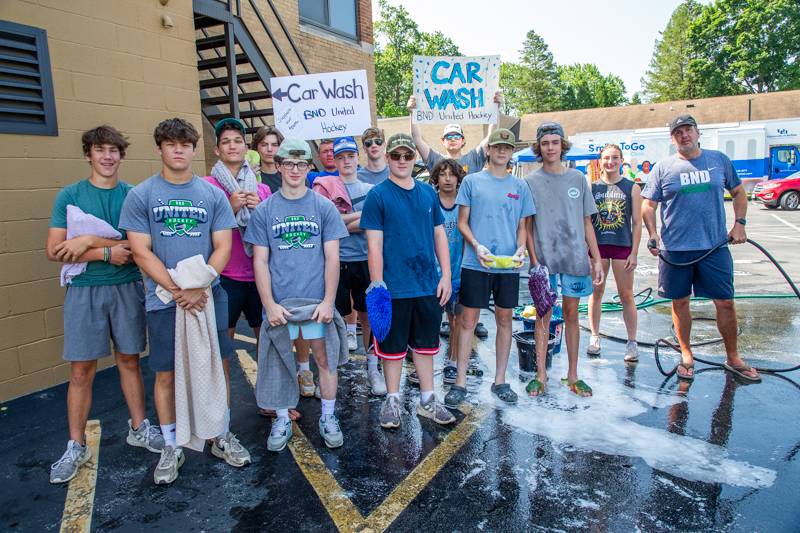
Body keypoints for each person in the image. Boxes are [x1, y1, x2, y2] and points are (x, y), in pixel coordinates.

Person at [120, 118, 251, 485]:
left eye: (185, 144)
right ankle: (171, 442)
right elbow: (141, 251)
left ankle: (219, 433)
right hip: (165, 299)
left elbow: (223, 245)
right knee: (165, 373)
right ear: (160, 148)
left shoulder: (210, 195)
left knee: (217, 364)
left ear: (194, 149)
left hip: (208, 295)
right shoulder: (142, 195)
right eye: (170, 144)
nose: (178, 150)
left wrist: (201, 285)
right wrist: (178, 290)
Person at [46, 125, 163, 484]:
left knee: (129, 360)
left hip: (127, 288)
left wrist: (86, 242)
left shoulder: (133, 195)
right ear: (89, 155)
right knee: (81, 370)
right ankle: (76, 444)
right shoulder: (70, 195)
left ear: (121, 155)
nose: (107, 156)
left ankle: (139, 427)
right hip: (84, 291)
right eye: (100, 150)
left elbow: (134, 250)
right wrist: (105, 249)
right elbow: (55, 251)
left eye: (114, 150)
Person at [244, 138, 349, 451]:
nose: (294, 169)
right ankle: (280, 416)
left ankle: (328, 416)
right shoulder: (264, 211)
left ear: (308, 167)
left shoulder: (323, 207)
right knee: (278, 362)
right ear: (278, 166)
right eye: (288, 163)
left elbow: (332, 257)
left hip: (315, 303)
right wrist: (269, 304)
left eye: (301, 163)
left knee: (324, 359)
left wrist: (329, 301)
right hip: (281, 305)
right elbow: (260, 260)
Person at [641, 115, 760, 382]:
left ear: (698, 133)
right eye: (678, 132)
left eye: (688, 130)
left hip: (714, 247)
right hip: (675, 250)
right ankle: (686, 354)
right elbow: (648, 204)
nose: (684, 136)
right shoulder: (663, 168)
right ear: (672, 139)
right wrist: (652, 233)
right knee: (680, 301)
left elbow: (739, 192)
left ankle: (733, 357)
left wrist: (739, 224)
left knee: (725, 303)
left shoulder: (718, 161)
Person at [360, 133, 456, 429]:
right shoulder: (378, 196)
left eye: (407, 156)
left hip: (427, 284)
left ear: (415, 158)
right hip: (393, 288)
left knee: (425, 346)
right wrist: (377, 286)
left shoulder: (428, 194)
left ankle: (428, 400)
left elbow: (439, 235)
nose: (402, 161)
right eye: (396, 156)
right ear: (387, 158)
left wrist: (446, 276)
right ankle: (392, 399)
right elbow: (374, 244)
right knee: (391, 349)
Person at [446, 129, 535, 407]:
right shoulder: (472, 182)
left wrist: (521, 249)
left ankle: (500, 381)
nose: (501, 151)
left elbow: (523, 226)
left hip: (507, 266)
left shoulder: (520, 187)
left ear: (511, 152)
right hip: (476, 263)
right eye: (497, 146)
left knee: (505, 320)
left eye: (506, 148)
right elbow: (462, 222)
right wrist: (476, 245)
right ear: (488, 150)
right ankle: (460, 382)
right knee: (467, 322)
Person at [524, 122, 604, 397]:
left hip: (575, 260)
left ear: (562, 146)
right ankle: (541, 374)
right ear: (539, 147)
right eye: (545, 143)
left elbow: (587, 224)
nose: (550, 148)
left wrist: (596, 259)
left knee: (571, 315)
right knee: (543, 316)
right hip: (545, 262)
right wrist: (534, 260)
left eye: (554, 143)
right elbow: (528, 226)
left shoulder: (578, 179)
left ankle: (573, 375)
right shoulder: (530, 182)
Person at [313, 137, 387, 395]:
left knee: (369, 316)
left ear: (358, 158)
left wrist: (341, 220)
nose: (346, 161)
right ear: (335, 159)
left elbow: (372, 223)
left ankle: (372, 368)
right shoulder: (325, 188)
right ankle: (330, 370)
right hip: (336, 261)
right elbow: (324, 224)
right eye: (340, 157)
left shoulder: (370, 189)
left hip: (366, 260)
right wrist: (356, 217)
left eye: (350, 156)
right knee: (332, 317)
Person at [205, 118, 271, 353]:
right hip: (225, 276)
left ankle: (265, 389)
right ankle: (223, 391)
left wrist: (259, 208)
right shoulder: (207, 186)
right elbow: (203, 232)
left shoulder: (262, 189)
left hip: (259, 273)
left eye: (237, 141)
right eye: (225, 142)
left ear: (246, 148)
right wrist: (230, 209)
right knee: (222, 345)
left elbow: (272, 232)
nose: (232, 146)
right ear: (217, 150)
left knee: (266, 341)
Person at [586, 143, 643, 362]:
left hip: (622, 246)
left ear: (621, 161)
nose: (610, 162)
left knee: (626, 294)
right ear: (600, 161)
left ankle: (631, 342)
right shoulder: (593, 188)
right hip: (598, 247)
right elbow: (587, 222)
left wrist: (634, 252)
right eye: (606, 158)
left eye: (615, 158)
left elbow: (637, 223)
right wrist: (587, 250)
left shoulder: (632, 188)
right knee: (596, 292)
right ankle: (594, 336)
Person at [428, 159, 466, 386]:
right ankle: (426, 364)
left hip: (459, 272)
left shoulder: (464, 203)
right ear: (436, 178)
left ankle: (451, 362)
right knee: (431, 322)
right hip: (433, 273)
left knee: (456, 320)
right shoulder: (430, 202)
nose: (448, 178)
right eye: (443, 174)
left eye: (452, 174)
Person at [251, 125, 285, 194]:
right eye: (264, 145)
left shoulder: (290, 174)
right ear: (256, 147)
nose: (269, 149)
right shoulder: (252, 175)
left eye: (275, 145)